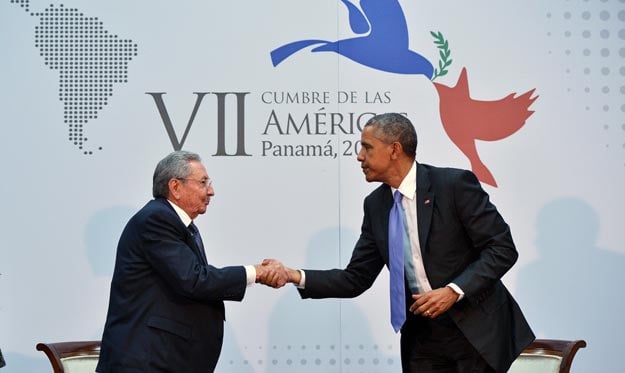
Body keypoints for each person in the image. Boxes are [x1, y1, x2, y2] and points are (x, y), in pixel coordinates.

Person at [280, 113, 534, 372]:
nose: (359, 156)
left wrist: (454, 290)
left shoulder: (453, 185)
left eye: (367, 147)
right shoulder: (376, 205)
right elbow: (355, 278)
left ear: (394, 150)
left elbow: (502, 248)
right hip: (422, 339)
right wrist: (294, 275)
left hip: (477, 331)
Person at [96, 151, 288, 373]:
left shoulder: (181, 225)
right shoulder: (156, 219)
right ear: (175, 187)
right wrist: (257, 272)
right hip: (147, 363)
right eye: (203, 182)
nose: (211, 191)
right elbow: (194, 279)